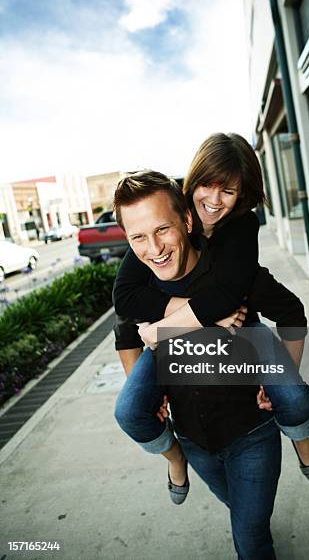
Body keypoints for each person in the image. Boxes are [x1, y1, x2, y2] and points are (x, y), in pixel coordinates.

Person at [113, 134, 309, 492]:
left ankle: (301, 438)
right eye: (207, 186)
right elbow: (124, 301)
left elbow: (232, 297)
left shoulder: (241, 228)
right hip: (187, 346)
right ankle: (174, 458)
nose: (213, 200)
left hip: (244, 329)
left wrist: (279, 382)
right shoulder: (161, 228)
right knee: (130, 410)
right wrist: (160, 373)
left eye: (227, 191)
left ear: (242, 195)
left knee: (293, 397)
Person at [113, 171, 290, 559]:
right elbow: (125, 334)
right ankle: (174, 460)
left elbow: (291, 312)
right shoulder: (141, 290)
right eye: (138, 237)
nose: (154, 248)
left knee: (251, 538)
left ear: (187, 221)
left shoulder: (232, 275)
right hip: (194, 443)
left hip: (252, 436)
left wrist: (281, 382)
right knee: (242, 513)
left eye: (163, 229)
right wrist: (152, 396)